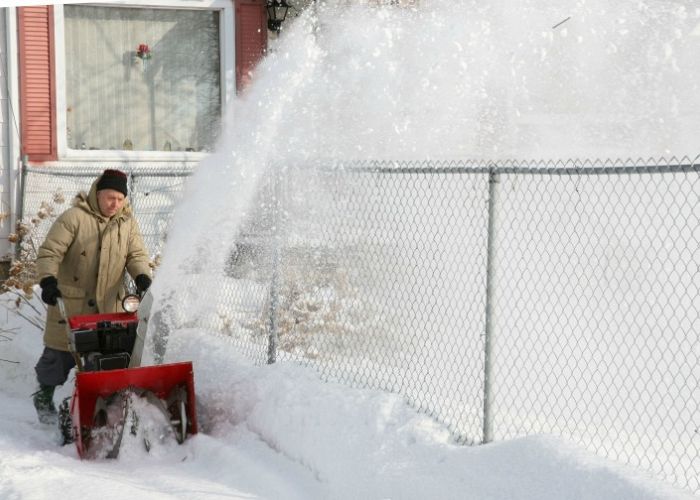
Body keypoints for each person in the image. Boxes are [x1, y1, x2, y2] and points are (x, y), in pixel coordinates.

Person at [32, 169, 153, 424]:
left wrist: (142, 276)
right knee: (58, 359)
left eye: (120, 199)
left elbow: (136, 256)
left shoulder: (127, 223)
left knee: (106, 362)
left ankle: (98, 410)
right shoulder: (74, 218)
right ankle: (44, 397)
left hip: (109, 308)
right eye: (110, 197)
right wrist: (48, 281)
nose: (115, 204)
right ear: (97, 194)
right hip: (72, 306)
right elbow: (50, 253)